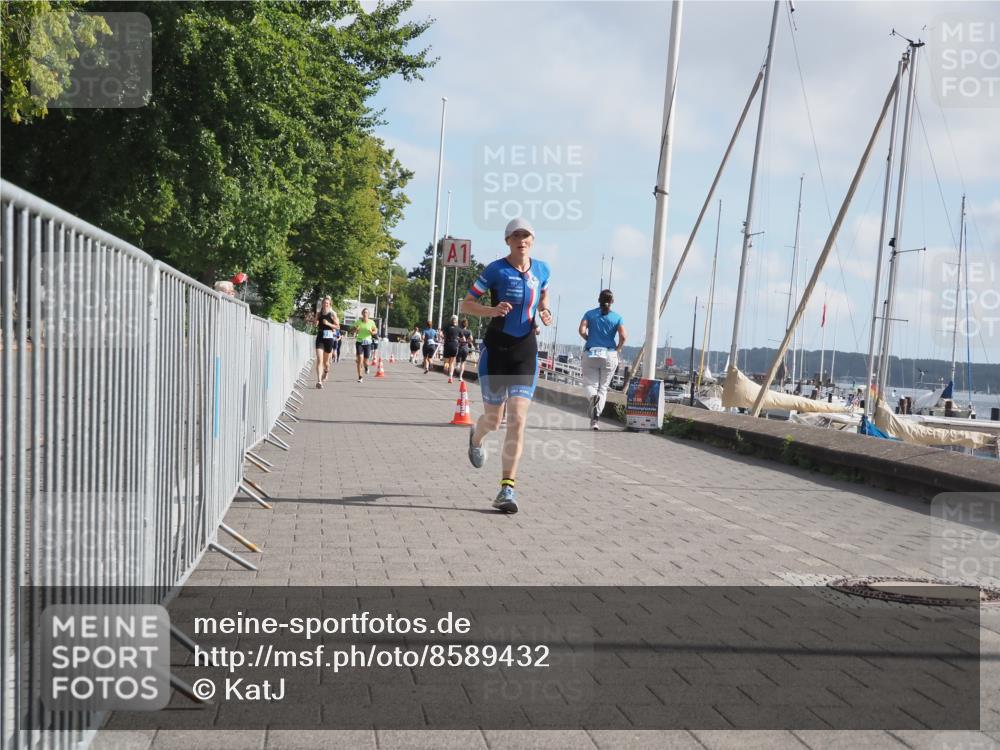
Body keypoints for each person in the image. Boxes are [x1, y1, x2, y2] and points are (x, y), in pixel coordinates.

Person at [460, 217, 552, 514]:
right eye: (516, 236)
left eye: (526, 236)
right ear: (507, 241)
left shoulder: (542, 269)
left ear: (532, 241)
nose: (521, 240)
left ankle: (506, 489)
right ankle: (476, 437)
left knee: (518, 419)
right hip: (497, 350)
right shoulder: (495, 270)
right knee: (494, 420)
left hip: (525, 350)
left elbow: (543, 294)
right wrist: (492, 309)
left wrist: (545, 310)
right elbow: (466, 304)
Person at [578, 289, 626, 429]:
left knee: (589, 385)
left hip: (591, 352)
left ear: (598, 300)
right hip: (609, 353)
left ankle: (593, 397)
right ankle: (595, 421)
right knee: (603, 388)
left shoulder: (589, 314)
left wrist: (589, 339)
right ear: (612, 302)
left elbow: (581, 330)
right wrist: (618, 348)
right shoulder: (617, 317)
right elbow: (623, 336)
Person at [314, 297, 340, 389]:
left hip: (329, 338)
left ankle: (326, 371)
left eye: (327, 303)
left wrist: (328, 324)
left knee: (326, 362)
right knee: (319, 359)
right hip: (320, 336)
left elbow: (337, 326)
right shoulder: (319, 313)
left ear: (330, 304)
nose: (325, 304)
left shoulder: (333, 314)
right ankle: (319, 381)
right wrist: (315, 322)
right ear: (322, 304)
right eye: (324, 303)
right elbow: (316, 322)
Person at [352, 308, 378, 383]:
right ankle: (360, 377)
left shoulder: (371, 322)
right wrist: (356, 330)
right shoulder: (358, 322)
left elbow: (375, 330)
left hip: (368, 342)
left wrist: (372, 332)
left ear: (368, 314)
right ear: (362, 313)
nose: (365, 314)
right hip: (359, 341)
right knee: (360, 359)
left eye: (366, 312)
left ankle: (366, 367)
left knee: (366, 361)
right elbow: (352, 330)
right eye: (364, 312)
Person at [442, 314, 462, 383]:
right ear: (456, 321)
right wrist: (458, 338)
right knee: (452, 363)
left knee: (446, 361)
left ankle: (445, 367)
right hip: (454, 345)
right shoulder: (459, 329)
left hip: (447, 345)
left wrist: (445, 337)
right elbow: (463, 338)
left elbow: (442, 335)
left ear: (451, 320)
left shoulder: (446, 327)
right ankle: (450, 377)